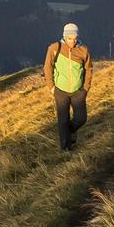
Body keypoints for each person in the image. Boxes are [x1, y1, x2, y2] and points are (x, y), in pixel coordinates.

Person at [44, 21, 92, 152]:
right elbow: (48, 67)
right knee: (62, 120)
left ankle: (70, 131)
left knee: (81, 118)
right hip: (60, 90)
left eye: (75, 38)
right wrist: (51, 87)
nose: (73, 41)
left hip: (78, 91)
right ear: (64, 37)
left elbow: (88, 69)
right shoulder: (55, 48)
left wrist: (86, 88)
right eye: (70, 38)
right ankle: (66, 148)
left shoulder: (83, 50)